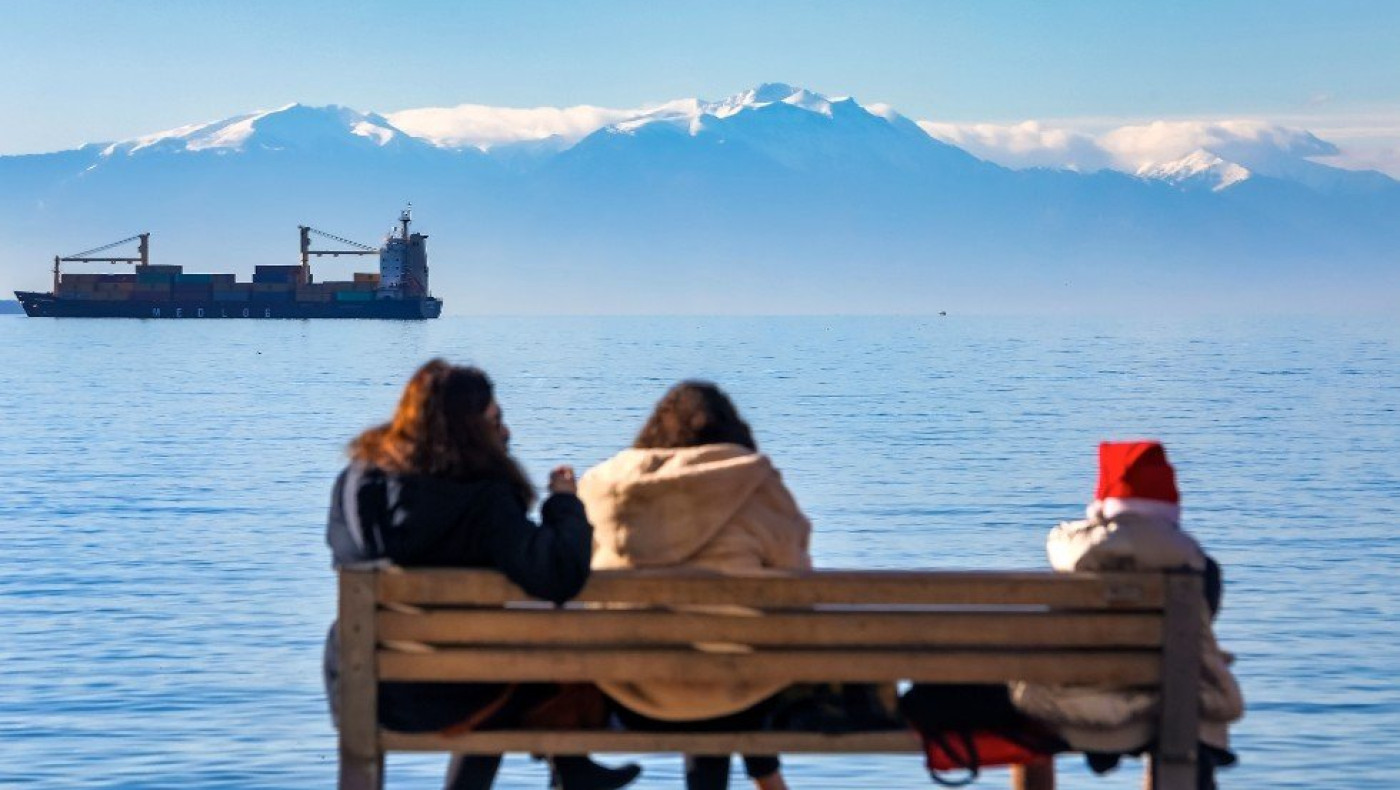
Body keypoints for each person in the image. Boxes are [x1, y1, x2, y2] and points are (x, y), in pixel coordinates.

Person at [323, 359, 641, 790]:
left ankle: (573, 768)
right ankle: (572, 766)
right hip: (465, 692)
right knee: (529, 657)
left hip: (365, 690)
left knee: (489, 662)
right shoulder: (484, 500)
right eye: (496, 420)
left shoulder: (355, 486)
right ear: (469, 428)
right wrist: (563, 503)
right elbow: (559, 576)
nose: (506, 432)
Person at [578, 381, 812, 790]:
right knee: (726, 665)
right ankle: (768, 777)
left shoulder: (608, 491)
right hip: (740, 693)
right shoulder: (755, 485)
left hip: (631, 693)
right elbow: (798, 588)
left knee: (699, 659)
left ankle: (765, 775)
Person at [1009, 441, 1244, 789]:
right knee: (1185, 698)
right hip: (1163, 706)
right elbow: (1201, 642)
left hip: (1064, 706)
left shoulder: (1070, 557)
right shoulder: (1197, 567)